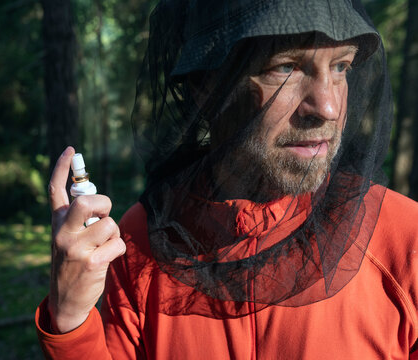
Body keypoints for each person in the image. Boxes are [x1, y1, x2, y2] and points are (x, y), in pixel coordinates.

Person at [36, 0, 418, 359]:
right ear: (206, 86)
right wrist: (70, 322)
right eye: (285, 67)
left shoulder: (401, 239)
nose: (328, 107)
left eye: (340, 67)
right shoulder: (140, 240)